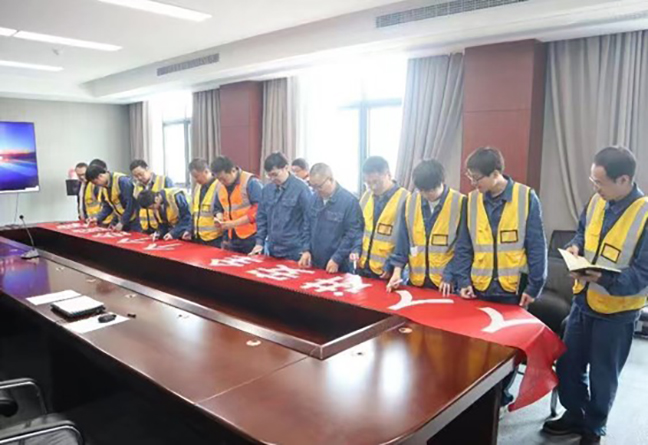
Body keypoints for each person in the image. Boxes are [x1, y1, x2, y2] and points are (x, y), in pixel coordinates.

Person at [542, 147, 648, 445]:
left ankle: (594, 427)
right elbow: (582, 232)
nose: (595, 187)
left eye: (600, 182)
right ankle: (575, 414)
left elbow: (643, 274)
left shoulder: (644, 216)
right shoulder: (596, 202)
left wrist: (602, 278)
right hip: (583, 303)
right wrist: (576, 247)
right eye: (593, 181)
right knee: (567, 364)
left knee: (604, 376)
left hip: (617, 313)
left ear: (624, 179)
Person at [451, 146, 547, 408]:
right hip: (479, 287)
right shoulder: (471, 201)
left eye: (477, 178)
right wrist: (463, 281)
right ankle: (481, 397)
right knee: (478, 345)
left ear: (495, 174)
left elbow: (537, 245)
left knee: (507, 350)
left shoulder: (526, 198)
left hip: (512, 289)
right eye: (470, 177)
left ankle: (500, 397)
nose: (473, 184)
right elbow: (464, 245)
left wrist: (535, 285)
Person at [387, 160, 466, 293]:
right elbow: (402, 241)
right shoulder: (410, 202)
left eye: (431, 190)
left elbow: (463, 248)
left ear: (441, 182)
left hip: (447, 284)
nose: (427, 195)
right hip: (417, 281)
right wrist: (397, 271)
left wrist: (449, 275)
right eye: (422, 191)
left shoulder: (460, 203)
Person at [298, 163, 364, 273]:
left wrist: (337, 258)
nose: (316, 190)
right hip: (315, 262)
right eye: (313, 186)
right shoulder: (313, 199)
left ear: (330, 179)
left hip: (339, 265)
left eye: (319, 186)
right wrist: (306, 250)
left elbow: (352, 234)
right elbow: (306, 226)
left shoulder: (349, 202)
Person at [353, 156, 409, 280]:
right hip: (363, 266)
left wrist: (392, 265)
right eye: (368, 183)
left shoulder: (406, 199)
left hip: (388, 270)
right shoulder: (366, 196)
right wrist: (355, 250)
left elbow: (405, 240)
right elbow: (358, 228)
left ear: (388, 174)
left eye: (376, 182)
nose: (373, 187)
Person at [250, 153, 311, 261]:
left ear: (286, 168)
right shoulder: (267, 190)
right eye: (269, 176)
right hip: (273, 248)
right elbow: (261, 218)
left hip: (295, 250)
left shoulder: (301, 189)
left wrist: (306, 249)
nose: (272, 179)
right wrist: (259, 243)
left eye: (275, 174)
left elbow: (309, 220)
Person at [210, 156, 262, 254]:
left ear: (233, 171)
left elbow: (258, 209)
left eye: (223, 179)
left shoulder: (250, 182)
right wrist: (219, 218)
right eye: (219, 179)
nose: (221, 182)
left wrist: (234, 223)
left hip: (251, 236)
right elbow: (217, 207)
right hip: (231, 236)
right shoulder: (219, 185)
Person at [86, 165, 137, 232]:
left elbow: (131, 204)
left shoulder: (122, 181)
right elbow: (108, 206)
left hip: (135, 220)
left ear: (100, 176)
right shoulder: (104, 187)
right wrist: (97, 218)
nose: (96, 185)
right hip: (123, 219)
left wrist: (122, 222)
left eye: (95, 182)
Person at [130, 160, 174, 234]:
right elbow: (137, 208)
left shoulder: (164, 180)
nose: (139, 178)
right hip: (145, 228)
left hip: (163, 227)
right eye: (136, 176)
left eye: (141, 174)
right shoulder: (137, 186)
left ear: (147, 169)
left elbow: (172, 204)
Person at [188, 159, 224, 247]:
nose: (196, 180)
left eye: (197, 176)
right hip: (198, 237)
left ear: (206, 171)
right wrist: (189, 230)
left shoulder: (219, 186)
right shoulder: (197, 187)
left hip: (215, 239)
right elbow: (194, 213)